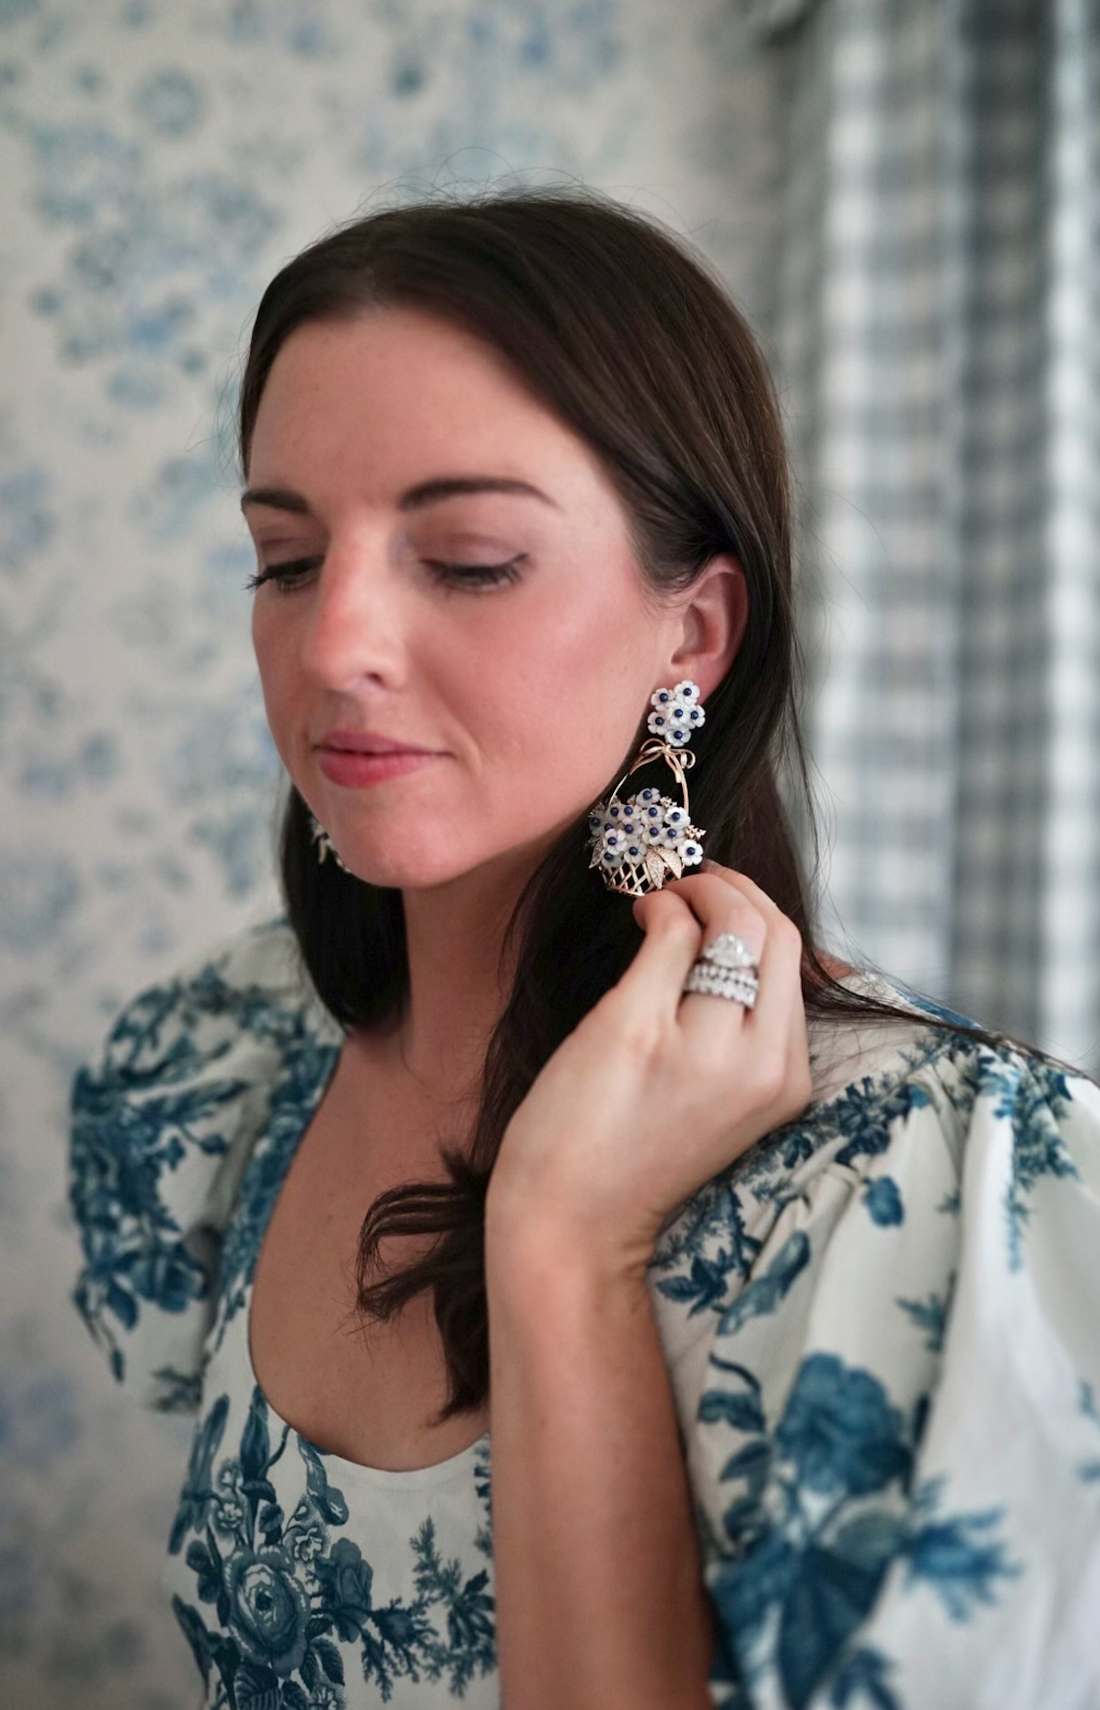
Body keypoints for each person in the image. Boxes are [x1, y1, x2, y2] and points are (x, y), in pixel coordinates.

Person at [69, 189, 1100, 1710]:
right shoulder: (227, 1059)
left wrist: (566, 1247)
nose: (334, 640)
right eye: (286, 559)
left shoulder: (923, 1198)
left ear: (691, 634)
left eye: (469, 557)